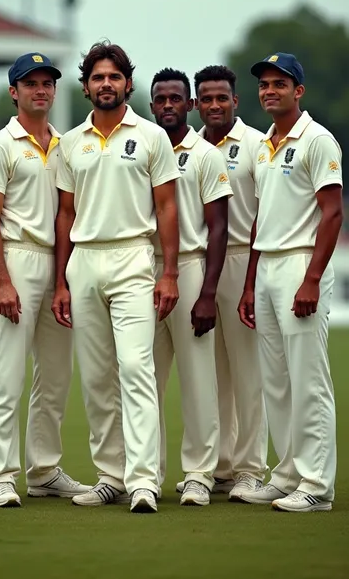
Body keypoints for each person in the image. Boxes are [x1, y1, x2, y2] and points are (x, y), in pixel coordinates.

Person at [53, 41, 181, 513]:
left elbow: (168, 207)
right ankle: (112, 475)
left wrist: (168, 273)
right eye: (97, 77)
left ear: (128, 83)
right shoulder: (71, 142)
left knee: (135, 368)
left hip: (132, 258)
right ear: (85, 86)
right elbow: (64, 216)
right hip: (84, 260)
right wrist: (61, 282)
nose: (106, 84)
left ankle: (144, 480)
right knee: (97, 378)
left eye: (114, 77)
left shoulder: (151, 137)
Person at [0, 53, 91, 508]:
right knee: (7, 373)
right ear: (14, 92)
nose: (40, 90)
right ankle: (0, 475)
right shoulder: (2, 144)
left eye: (47, 83)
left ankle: (43, 470)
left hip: (61, 263)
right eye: (31, 84)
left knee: (56, 375)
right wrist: (1, 280)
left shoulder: (65, 144)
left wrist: (65, 277)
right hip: (18, 260)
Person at [238, 52, 343, 512]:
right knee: (276, 381)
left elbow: (333, 212)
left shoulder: (318, 140)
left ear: (298, 91)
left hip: (302, 265)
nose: (269, 91)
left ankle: (316, 485)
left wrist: (312, 279)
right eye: (264, 85)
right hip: (267, 269)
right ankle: (286, 474)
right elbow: (261, 217)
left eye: (279, 84)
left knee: (308, 379)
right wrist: (249, 283)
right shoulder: (265, 144)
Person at [150, 68, 233, 506]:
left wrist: (207, 294)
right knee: (143, 379)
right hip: (143, 271)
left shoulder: (205, 154)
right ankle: (145, 473)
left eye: (176, 99)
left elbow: (218, 228)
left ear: (190, 105)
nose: (168, 105)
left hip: (190, 266)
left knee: (199, 378)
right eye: (160, 99)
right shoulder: (142, 146)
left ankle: (200, 474)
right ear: (151, 106)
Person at [193, 65, 268, 500]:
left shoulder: (256, 145)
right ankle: (220, 465)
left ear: (235, 101)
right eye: (207, 98)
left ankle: (251, 468)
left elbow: (262, 214)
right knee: (211, 372)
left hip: (241, 259)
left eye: (222, 97)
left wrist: (251, 282)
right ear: (196, 104)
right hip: (200, 265)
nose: (215, 105)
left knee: (247, 373)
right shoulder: (189, 145)